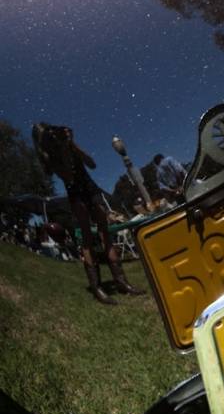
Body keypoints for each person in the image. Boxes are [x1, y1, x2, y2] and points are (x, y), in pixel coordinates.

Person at [32, 124, 144, 305]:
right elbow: (68, 176)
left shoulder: (68, 145)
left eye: (52, 132)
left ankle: (122, 282)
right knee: (86, 237)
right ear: (42, 141)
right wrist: (62, 151)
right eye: (47, 135)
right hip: (76, 193)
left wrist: (72, 144)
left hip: (90, 188)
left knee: (105, 232)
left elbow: (92, 164)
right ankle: (97, 287)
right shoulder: (50, 158)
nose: (53, 136)